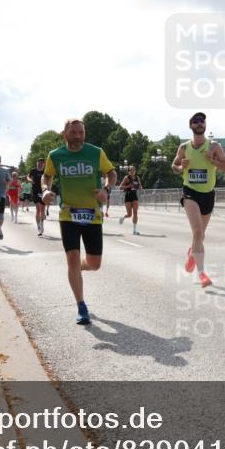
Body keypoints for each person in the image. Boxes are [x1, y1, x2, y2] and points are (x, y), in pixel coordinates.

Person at [41, 118, 116, 324]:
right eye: (74, 133)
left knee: (94, 264)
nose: (78, 136)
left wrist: (106, 190)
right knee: (72, 258)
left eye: (81, 132)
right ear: (64, 134)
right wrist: (46, 190)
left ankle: (80, 268)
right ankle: (81, 305)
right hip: (68, 214)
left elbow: (111, 173)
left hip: (92, 214)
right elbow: (46, 176)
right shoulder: (55, 156)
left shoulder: (95, 152)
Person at [172, 112, 225, 287]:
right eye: (196, 121)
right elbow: (174, 166)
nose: (199, 124)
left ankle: (192, 253)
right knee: (197, 231)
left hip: (208, 194)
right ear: (191, 126)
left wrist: (213, 161)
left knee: (200, 235)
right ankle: (202, 274)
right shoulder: (184, 147)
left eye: (202, 121)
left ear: (205, 125)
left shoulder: (214, 146)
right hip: (190, 191)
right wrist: (180, 167)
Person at [118, 165, 142, 235]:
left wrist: (140, 187)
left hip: (134, 196)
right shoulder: (126, 178)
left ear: (135, 171)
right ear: (128, 172)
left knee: (135, 212)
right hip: (128, 196)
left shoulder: (137, 178)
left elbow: (140, 186)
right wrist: (128, 186)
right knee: (129, 214)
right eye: (130, 170)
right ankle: (122, 218)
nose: (132, 171)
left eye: (133, 170)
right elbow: (120, 187)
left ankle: (134, 230)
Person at [30, 159, 48, 236]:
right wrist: (30, 180)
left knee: (42, 210)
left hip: (43, 191)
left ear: (44, 164)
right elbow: (28, 176)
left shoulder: (46, 171)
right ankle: (38, 226)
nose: (40, 164)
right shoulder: (33, 170)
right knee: (38, 209)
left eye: (41, 163)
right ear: (36, 163)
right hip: (35, 192)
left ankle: (42, 224)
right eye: (38, 163)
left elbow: (50, 178)